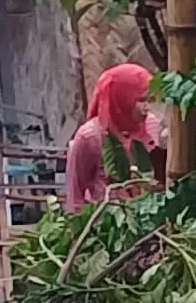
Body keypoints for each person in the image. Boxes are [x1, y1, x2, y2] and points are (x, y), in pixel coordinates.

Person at [62, 62, 165, 211]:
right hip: (107, 222)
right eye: (141, 100)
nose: (147, 108)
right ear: (121, 98)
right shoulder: (90, 137)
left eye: (150, 100)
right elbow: (75, 198)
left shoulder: (151, 125)